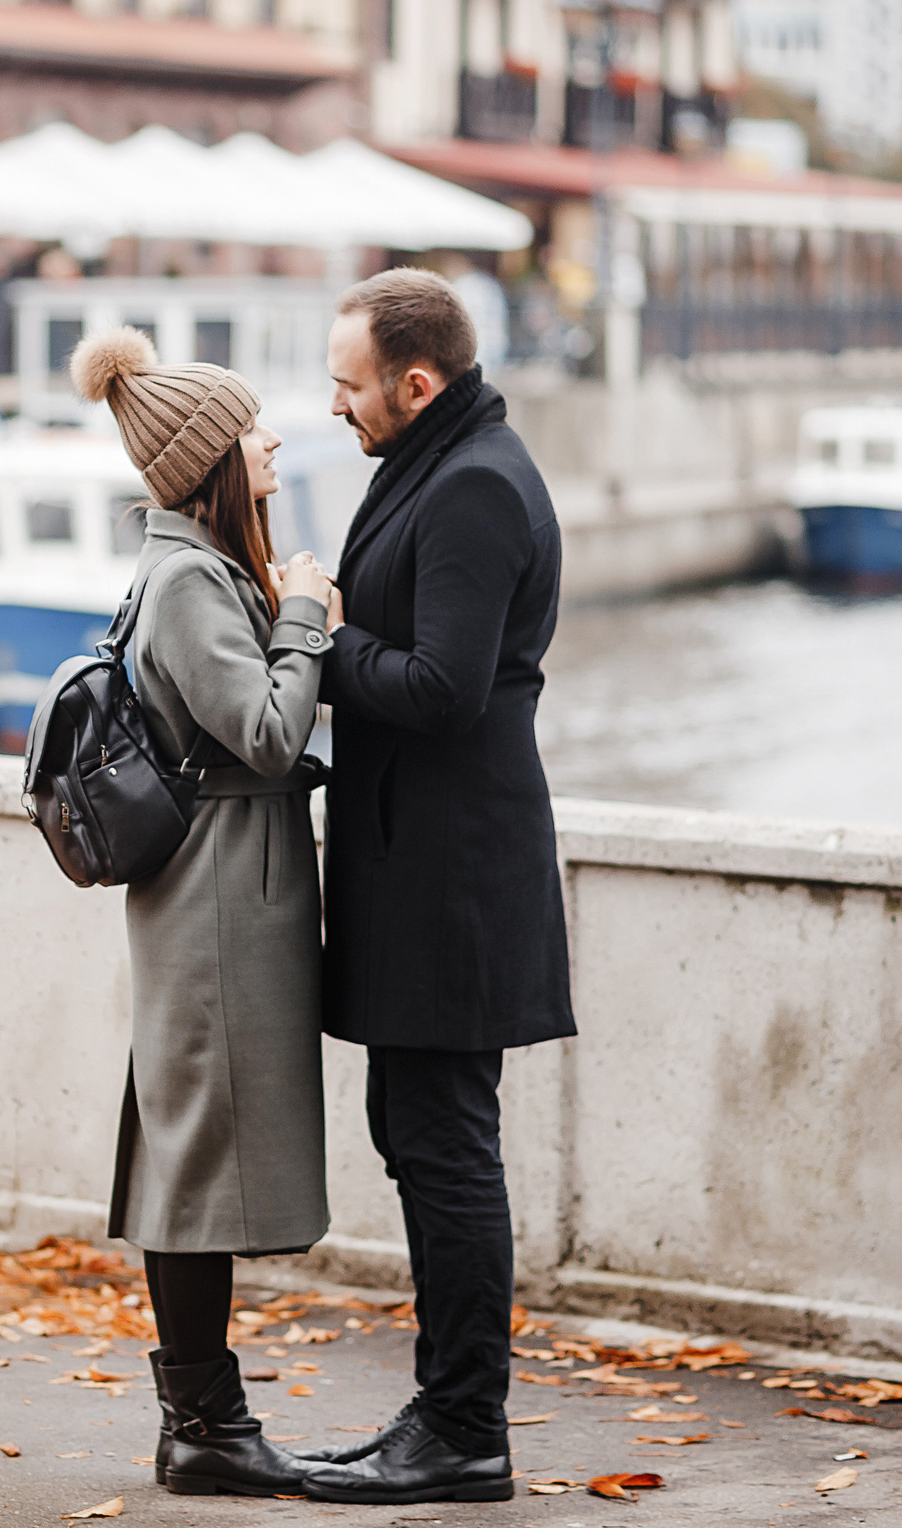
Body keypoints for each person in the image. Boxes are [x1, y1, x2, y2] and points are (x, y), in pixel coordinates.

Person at [297, 268, 575, 1508]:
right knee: (417, 1140)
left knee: (448, 1150)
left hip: (455, 873)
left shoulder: (471, 485)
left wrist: (310, 633)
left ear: (418, 383)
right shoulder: (440, 460)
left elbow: (441, 690)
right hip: (425, 862)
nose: (337, 405)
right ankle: (442, 1408)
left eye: (352, 386)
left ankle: (465, 1428)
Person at [71, 326, 343, 1501]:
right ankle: (202, 1426)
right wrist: (306, 614)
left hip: (217, 887)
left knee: (195, 1157)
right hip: (216, 898)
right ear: (211, 460)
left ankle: (207, 1420)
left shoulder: (188, 564)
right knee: (190, 1166)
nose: (273, 437)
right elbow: (270, 732)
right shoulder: (189, 579)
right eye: (252, 428)